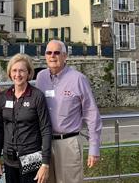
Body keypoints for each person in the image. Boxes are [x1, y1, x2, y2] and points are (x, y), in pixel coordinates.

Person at [36, 40, 102, 183]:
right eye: (49, 52)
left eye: (57, 52)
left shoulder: (78, 79)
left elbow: (91, 114)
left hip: (68, 143)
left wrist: (94, 147)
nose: (52, 56)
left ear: (65, 56)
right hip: (45, 144)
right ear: (45, 56)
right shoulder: (41, 77)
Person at [0, 53, 52, 183]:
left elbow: (46, 129)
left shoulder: (37, 96)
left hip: (31, 158)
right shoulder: (4, 96)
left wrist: (45, 163)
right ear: (9, 73)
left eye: (22, 71)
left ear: (29, 73)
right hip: (9, 159)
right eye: (14, 70)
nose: (18, 74)